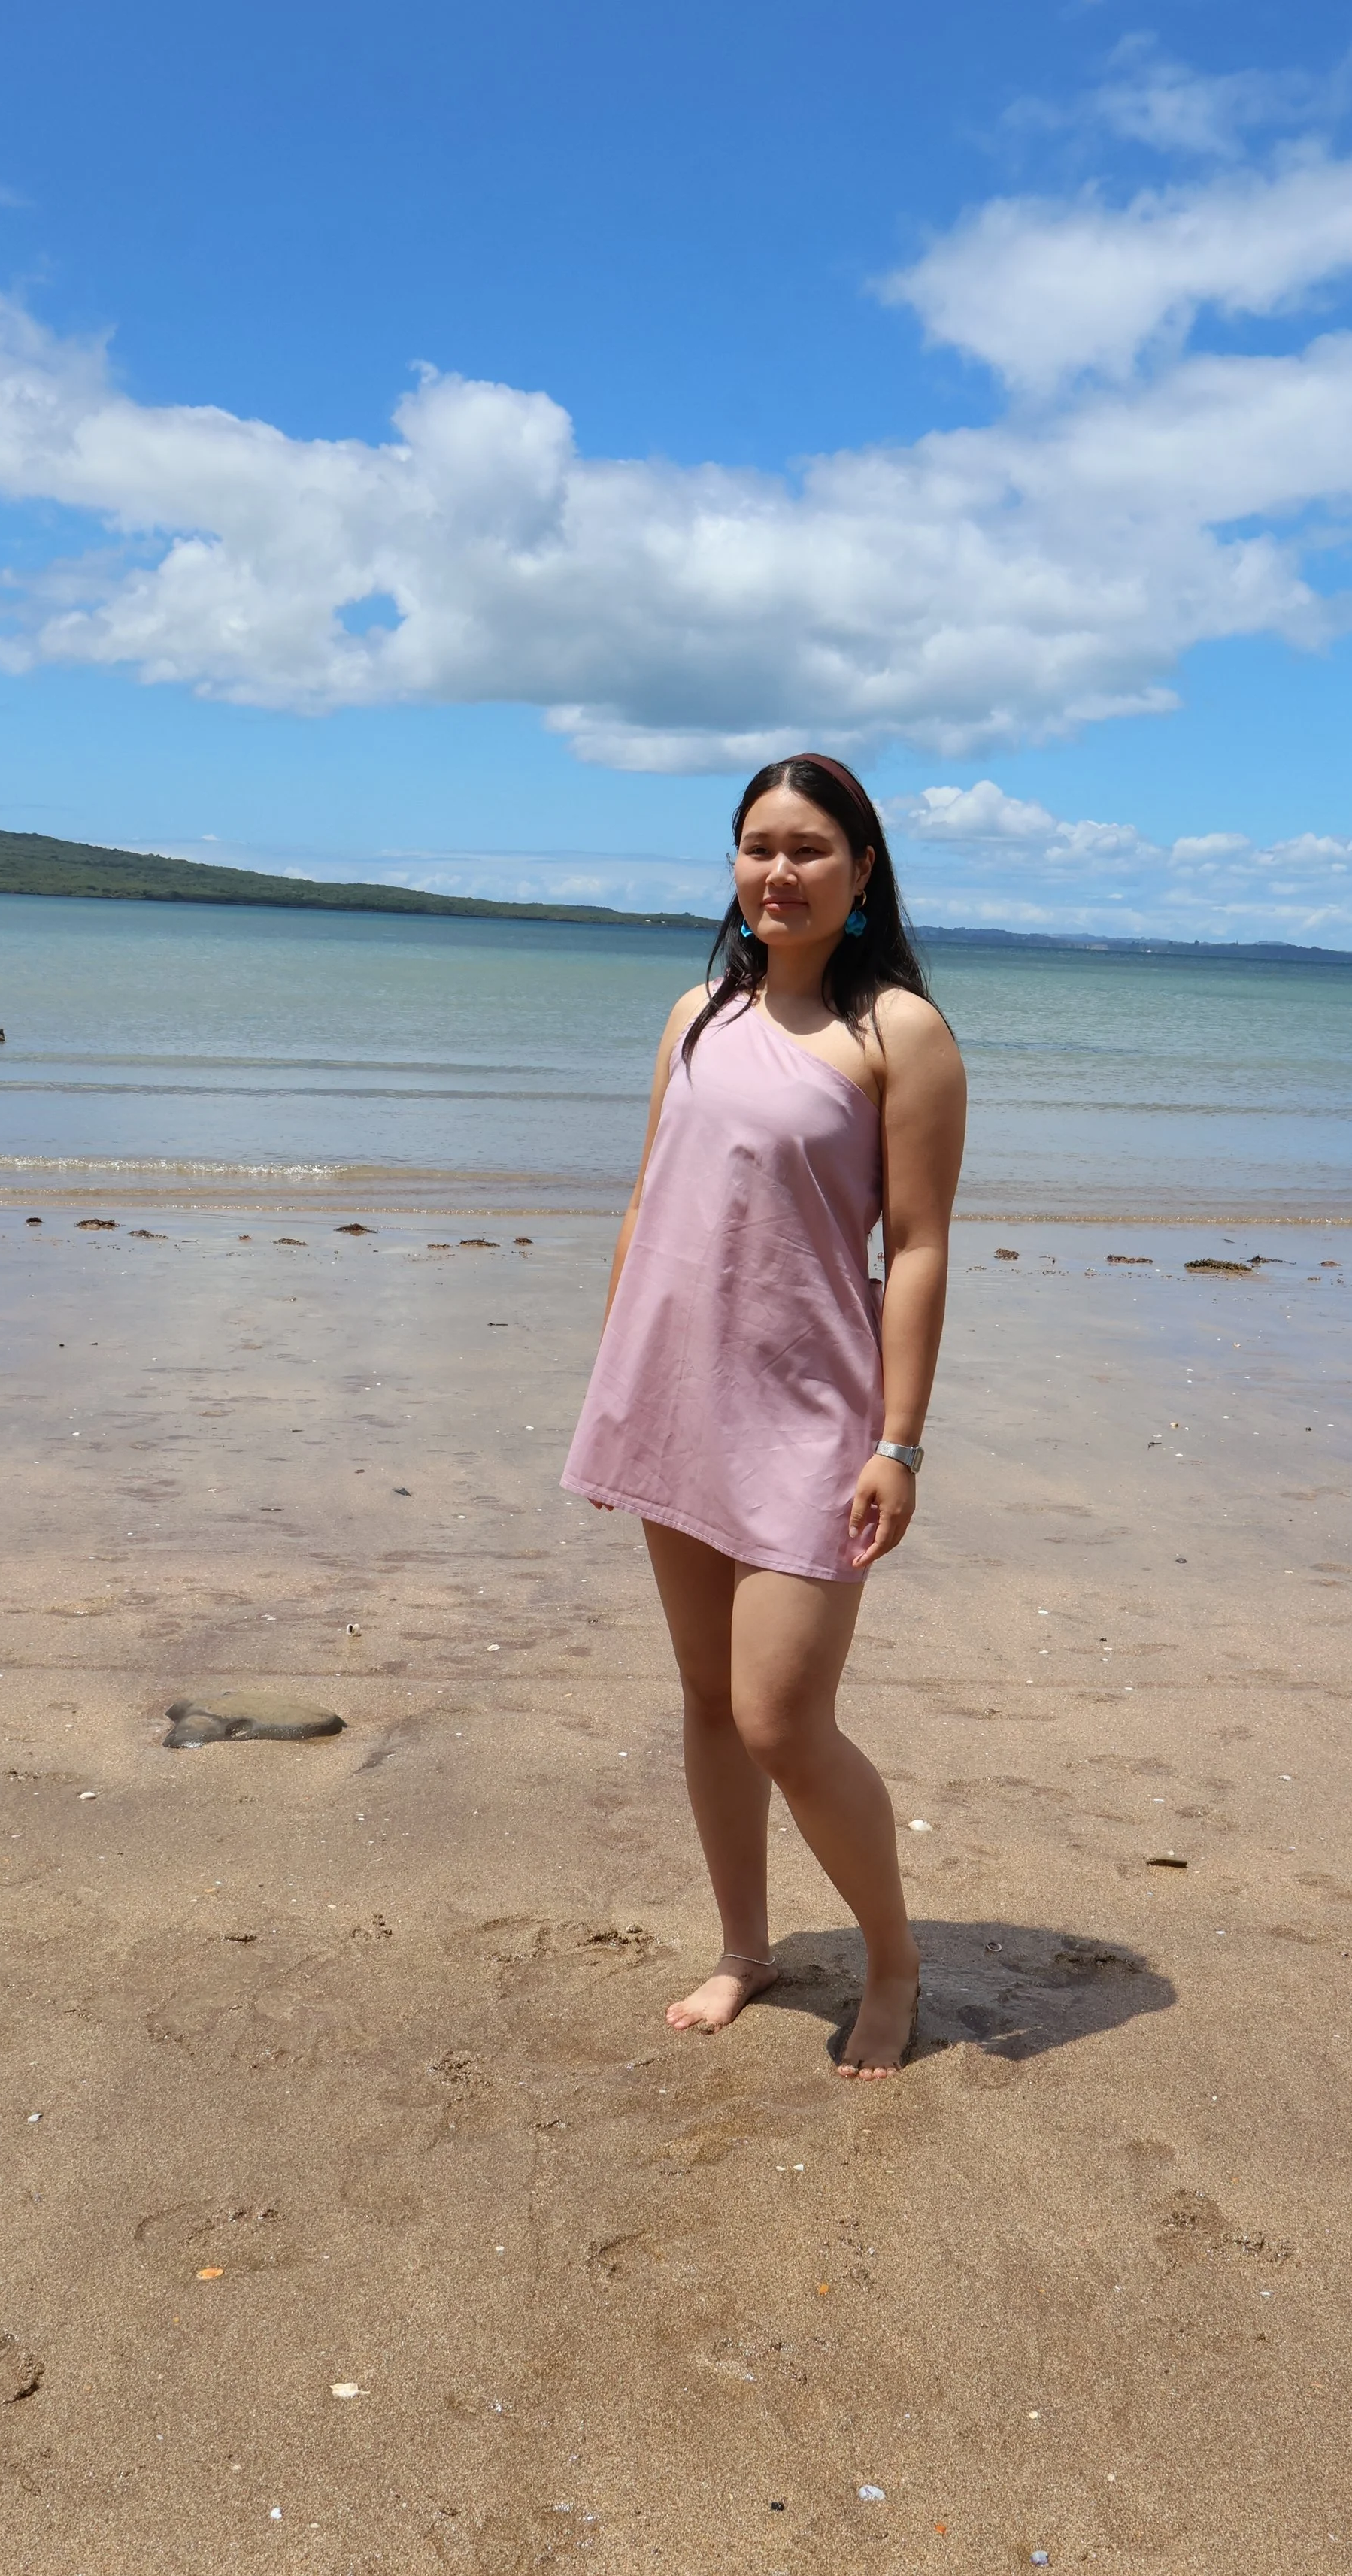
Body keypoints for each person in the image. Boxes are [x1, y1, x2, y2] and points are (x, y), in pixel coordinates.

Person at [561, 754, 967, 2077]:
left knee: (782, 1714)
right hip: (673, 1396)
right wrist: (619, 1378)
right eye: (756, 847)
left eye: (807, 848)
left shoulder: (898, 1030)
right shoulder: (696, 1011)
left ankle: (892, 1960)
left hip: (811, 1410)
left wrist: (897, 1442)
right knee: (702, 1696)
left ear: (861, 872)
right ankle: (745, 1945)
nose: (778, 871)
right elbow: (648, 1201)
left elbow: (915, 1247)